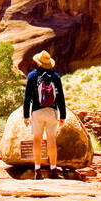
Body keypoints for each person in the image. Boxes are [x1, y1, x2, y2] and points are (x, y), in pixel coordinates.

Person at [23, 49, 66, 178]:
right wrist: (62, 115)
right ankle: (53, 170)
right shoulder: (55, 76)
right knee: (51, 140)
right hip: (52, 111)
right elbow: (60, 97)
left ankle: (37, 171)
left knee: (37, 140)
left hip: (37, 111)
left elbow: (27, 97)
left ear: (38, 62)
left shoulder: (32, 76)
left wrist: (26, 115)